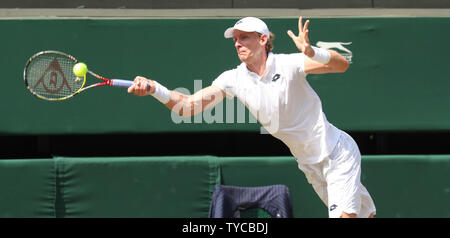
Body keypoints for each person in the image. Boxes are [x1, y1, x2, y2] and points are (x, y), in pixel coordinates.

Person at [128, 16, 376, 218]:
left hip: (337, 153)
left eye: (244, 37)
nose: (238, 43)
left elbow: (342, 64)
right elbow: (188, 106)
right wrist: (154, 89)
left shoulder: (289, 64)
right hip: (310, 165)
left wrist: (312, 52)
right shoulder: (232, 79)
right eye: (235, 39)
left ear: (263, 39)